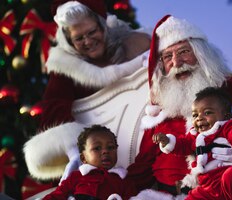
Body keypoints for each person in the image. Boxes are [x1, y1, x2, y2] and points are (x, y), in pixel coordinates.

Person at [126, 15, 232, 198]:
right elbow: (139, 174)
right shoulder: (162, 110)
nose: (176, 63)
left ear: (202, 55)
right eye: (168, 56)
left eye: (184, 52)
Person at [23, 0, 150, 182]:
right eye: (79, 38)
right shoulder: (65, 70)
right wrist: (75, 151)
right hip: (99, 166)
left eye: (92, 32)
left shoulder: (133, 43)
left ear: (102, 26)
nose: (88, 41)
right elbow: (54, 109)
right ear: (69, 42)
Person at [153, 87, 232, 200]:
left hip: (228, 179)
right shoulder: (194, 135)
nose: (199, 118)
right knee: (193, 196)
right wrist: (167, 141)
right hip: (207, 185)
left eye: (207, 112)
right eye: (195, 115)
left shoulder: (228, 127)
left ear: (226, 116)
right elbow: (183, 145)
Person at [43, 124, 137, 200]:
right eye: (97, 148)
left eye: (111, 147)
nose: (105, 151)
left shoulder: (122, 179)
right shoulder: (77, 176)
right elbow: (58, 194)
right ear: (83, 158)